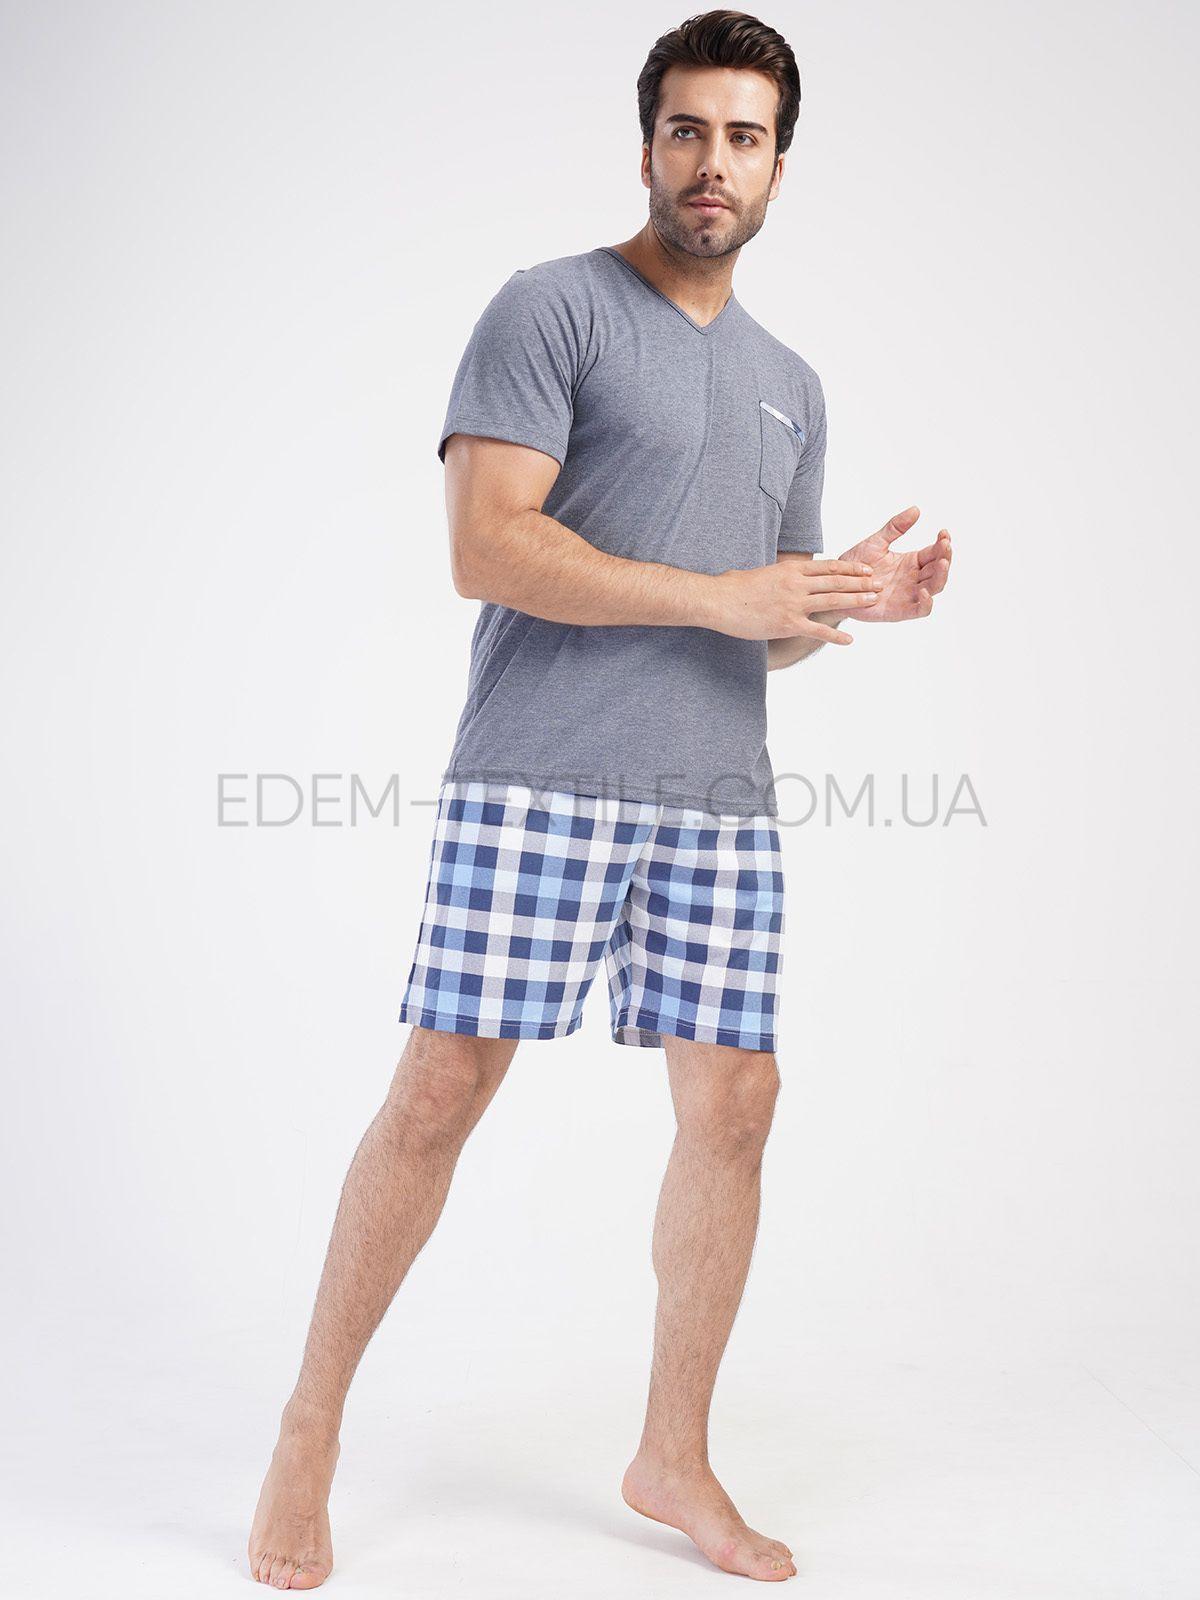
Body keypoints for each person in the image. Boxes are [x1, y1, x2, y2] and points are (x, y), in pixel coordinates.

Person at [248, 8, 953, 1588]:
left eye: (745, 137)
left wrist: (851, 603)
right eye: (689, 129)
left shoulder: (790, 384)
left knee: (739, 1104)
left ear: (778, 167)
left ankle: (671, 1455)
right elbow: (486, 548)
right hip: (538, 774)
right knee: (442, 1091)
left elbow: (765, 625)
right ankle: (309, 1425)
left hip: (717, 795)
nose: (714, 161)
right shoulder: (550, 310)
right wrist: (729, 597)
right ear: (647, 146)